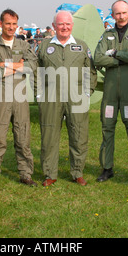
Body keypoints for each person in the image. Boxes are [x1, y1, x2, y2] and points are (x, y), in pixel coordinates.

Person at [37, 10, 97, 186]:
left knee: (79, 135)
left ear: (72, 26)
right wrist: (39, 93)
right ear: (54, 26)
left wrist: (87, 92)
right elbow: (36, 71)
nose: (64, 27)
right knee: (49, 136)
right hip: (50, 96)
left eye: (68, 24)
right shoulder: (44, 46)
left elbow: (90, 71)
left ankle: (77, 172)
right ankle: (50, 173)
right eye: (60, 24)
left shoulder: (82, 46)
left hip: (76, 96)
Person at [0, 9, 38, 191]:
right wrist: (18, 66)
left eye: (14, 24)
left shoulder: (23, 45)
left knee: (23, 137)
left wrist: (6, 65)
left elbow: (32, 66)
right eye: (8, 23)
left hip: (20, 97)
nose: (11, 27)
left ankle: (26, 174)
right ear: (1, 24)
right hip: (1, 97)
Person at [93, 0, 128, 185]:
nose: (121, 17)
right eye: (117, 13)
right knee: (107, 126)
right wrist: (121, 61)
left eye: (124, 13)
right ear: (113, 15)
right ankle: (107, 168)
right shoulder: (107, 35)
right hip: (111, 91)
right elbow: (98, 58)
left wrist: (115, 54)